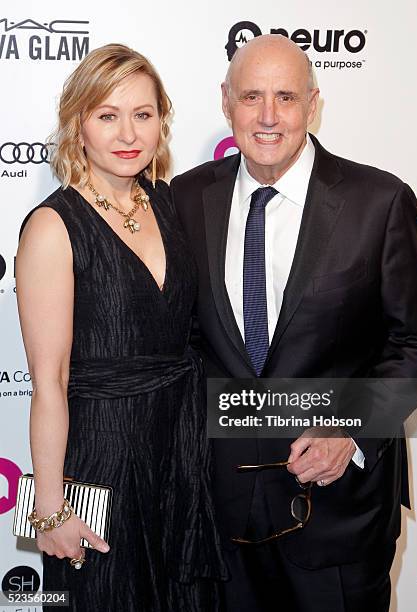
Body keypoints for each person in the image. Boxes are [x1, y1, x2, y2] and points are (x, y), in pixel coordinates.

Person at [170, 35, 417, 612]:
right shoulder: (186, 197)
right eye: (251, 97)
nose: (268, 117)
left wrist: (349, 429)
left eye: (286, 98)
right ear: (226, 102)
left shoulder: (379, 201)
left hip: (336, 512)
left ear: (313, 104)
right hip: (219, 515)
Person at [16, 43, 226, 611]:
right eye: (107, 115)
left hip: (181, 453)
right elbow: (50, 383)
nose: (128, 132)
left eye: (144, 113)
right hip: (100, 458)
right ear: (78, 125)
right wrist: (51, 510)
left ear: (163, 120)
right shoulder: (52, 227)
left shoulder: (165, 204)